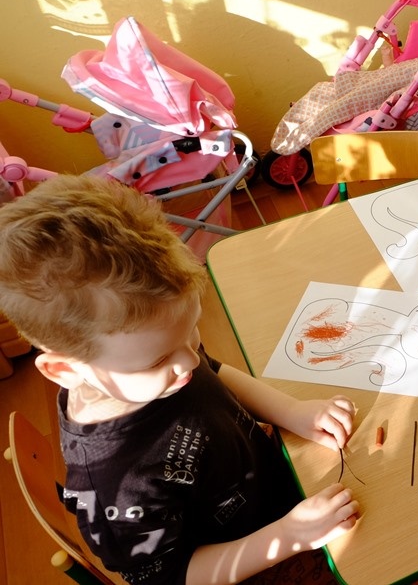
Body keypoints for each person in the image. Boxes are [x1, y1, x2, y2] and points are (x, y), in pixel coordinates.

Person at [0, 174, 360, 585]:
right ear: (65, 370)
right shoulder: (116, 495)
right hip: (255, 558)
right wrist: (289, 536)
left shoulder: (150, 362)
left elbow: (214, 374)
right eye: (160, 359)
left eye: (192, 332)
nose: (190, 360)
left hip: (277, 492)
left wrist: (293, 411)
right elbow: (175, 576)